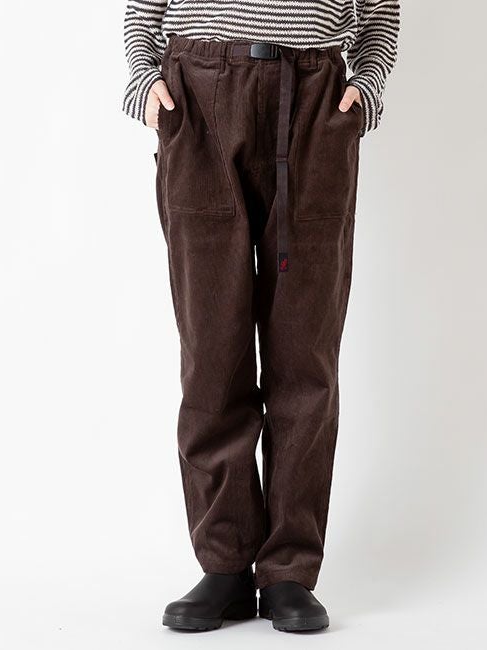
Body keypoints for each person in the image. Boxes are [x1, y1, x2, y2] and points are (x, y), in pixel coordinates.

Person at [122, 0, 400, 633]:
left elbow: (381, 13)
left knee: (305, 354)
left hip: (315, 101)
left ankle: (289, 571)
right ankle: (224, 562)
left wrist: (365, 87)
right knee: (211, 351)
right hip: (197, 99)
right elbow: (143, 9)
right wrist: (146, 79)